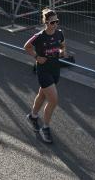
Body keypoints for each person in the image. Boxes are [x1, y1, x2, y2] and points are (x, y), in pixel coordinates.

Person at [23, 8, 66, 144]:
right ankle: (45, 128)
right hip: (43, 70)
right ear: (46, 22)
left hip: (55, 69)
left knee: (42, 95)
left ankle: (33, 116)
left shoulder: (59, 33)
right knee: (53, 100)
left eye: (57, 21)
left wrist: (62, 51)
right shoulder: (40, 36)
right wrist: (36, 57)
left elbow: (63, 46)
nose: (55, 24)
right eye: (52, 22)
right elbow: (27, 46)